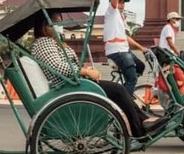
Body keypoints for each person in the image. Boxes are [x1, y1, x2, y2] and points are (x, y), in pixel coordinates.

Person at [30, 11, 164, 138]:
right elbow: (57, 67)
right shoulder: (44, 42)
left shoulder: (54, 42)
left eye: (60, 21)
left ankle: (144, 121)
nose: (59, 25)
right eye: (56, 22)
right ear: (44, 26)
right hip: (68, 88)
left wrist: (83, 69)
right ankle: (139, 129)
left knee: (118, 90)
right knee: (117, 90)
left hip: (73, 84)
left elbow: (63, 64)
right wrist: (86, 71)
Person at [104, 0, 148, 96]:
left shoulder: (120, 18)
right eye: (120, 2)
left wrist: (142, 48)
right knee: (132, 79)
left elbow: (126, 38)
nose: (122, 4)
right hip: (117, 50)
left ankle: (124, 90)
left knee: (140, 67)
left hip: (124, 49)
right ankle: (124, 102)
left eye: (124, 2)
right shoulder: (111, 12)